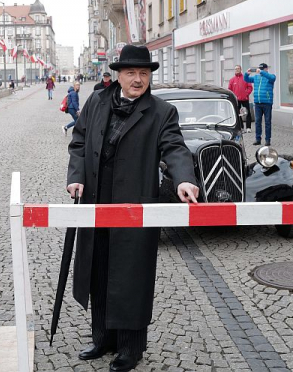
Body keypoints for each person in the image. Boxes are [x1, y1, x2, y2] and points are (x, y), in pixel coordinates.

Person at [66, 44, 199, 372]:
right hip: (97, 201)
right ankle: (103, 338)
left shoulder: (161, 111)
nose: (137, 79)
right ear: (119, 75)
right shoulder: (97, 101)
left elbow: (175, 147)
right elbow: (79, 142)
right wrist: (77, 177)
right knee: (99, 269)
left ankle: (130, 348)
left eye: (143, 73)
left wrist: (183, 178)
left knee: (130, 277)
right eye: (131, 73)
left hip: (135, 206)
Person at [243, 63, 276, 146]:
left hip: (267, 102)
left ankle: (267, 140)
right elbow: (246, 80)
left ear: (266, 69)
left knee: (267, 122)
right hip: (257, 102)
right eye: (259, 69)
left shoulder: (270, 76)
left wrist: (262, 72)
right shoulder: (256, 77)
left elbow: (272, 78)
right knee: (257, 122)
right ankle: (258, 139)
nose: (260, 70)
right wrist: (246, 74)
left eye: (262, 69)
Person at [227, 65, 254, 133]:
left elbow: (250, 87)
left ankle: (248, 127)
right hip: (236, 99)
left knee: (247, 113)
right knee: (238, 113)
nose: (237, 70)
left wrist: (246, 94)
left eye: (238, 69)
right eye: (236, 69)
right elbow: (229, 90)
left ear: (241, 69)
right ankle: (241, 127)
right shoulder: (232, 80)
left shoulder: (245, 78)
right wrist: (233, 97)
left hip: (245, 98)